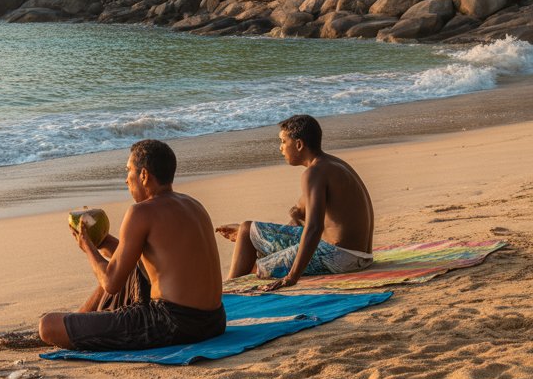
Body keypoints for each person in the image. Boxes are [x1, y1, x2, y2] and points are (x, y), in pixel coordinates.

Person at [38, 139, 226, 351]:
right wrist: (101, 241)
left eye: (129, 171)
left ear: (144, 175)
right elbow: (144, 258)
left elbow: (111, 282)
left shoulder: (141, 212)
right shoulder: (193, 204)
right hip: (215, 321)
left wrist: (87, 247)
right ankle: (80, 320)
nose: (126, 180)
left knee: (48, 326)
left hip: (172, 324)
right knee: (123, 267)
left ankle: (74, 324)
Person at [217, 114, 374, 289]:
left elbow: (314, 228)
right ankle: (240, 251)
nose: (281, 148)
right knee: (247, 229)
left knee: (255, 265)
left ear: (298, 145)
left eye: (284, 142)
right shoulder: (331, 164)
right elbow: (303, 217)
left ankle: (227, 290)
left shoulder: (314, 173)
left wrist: (292, 277)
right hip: (360, 255)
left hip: (341, 257)